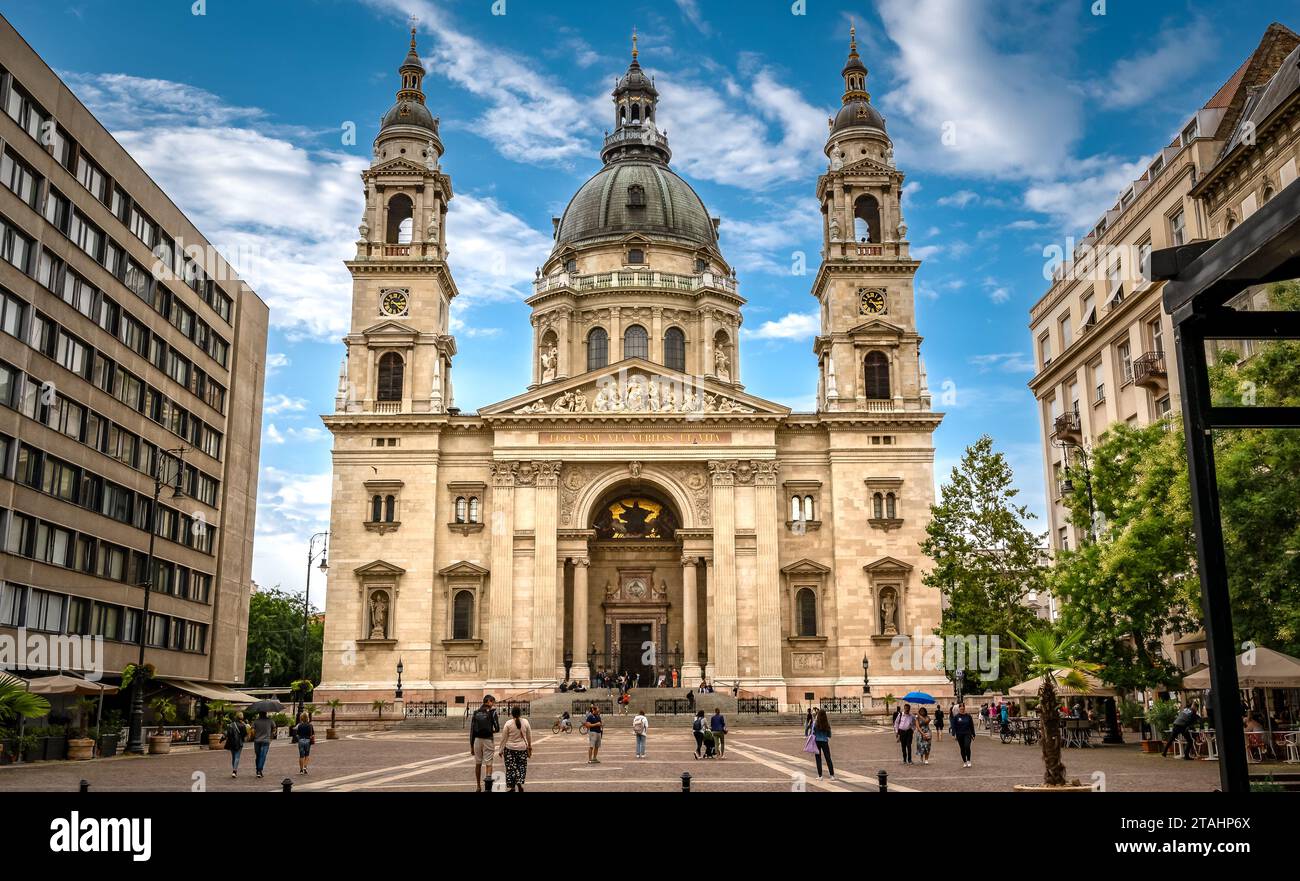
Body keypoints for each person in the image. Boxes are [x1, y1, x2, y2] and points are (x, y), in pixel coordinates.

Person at [469, 694, 501, 792]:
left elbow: (472, 731)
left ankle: (478, 786)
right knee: (489, 763)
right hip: (488, 739)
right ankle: (488, 788)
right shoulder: (493, 712)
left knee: (478, 763)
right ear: (488, 701)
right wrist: (491, 731)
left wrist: (471, 746)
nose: (493, 704)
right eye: (492, 702)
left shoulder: (475, 712)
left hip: (477, 740)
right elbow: (497, 728)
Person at [499, 704, 532, 791]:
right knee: (521, 767)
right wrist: (530, 746)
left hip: (510, 749)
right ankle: (519, 783)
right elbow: (529, 736)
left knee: (511, 768)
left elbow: (504, 738)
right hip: (522, 749)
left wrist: (500, 750)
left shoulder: (508, 723)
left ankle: (512, 787)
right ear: (520, 713)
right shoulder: (525, 722)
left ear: (512, 713)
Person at [251, 710, 276, 779]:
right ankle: (259, 770)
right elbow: (274, 730)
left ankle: (258, 770)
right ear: (266, 713)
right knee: (263, 756)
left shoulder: (255, 721)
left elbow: (252, 731)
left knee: (258, 756)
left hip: (257, 740)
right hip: (266, 741)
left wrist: (254, 736)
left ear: (259, 713)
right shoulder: (270, 721)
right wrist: (271, 738)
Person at [811, 708, 834, 780]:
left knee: (818, 759)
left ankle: (820, 776)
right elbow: (829, 734)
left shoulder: (816, 723)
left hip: (817, 741)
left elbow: (813, 732)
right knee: (828, 758)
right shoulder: (827, 723)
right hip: (824, 741)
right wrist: (826, 736)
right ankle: (832, 775)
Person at [951, 702, 976, 768]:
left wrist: (973, 733)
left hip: (967, 733)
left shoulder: (968, 716)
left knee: (967, 746)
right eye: (960, 707)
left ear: (964, 708)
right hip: (959, 734)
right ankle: (964, 761)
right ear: (959, 708)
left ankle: (968, 760)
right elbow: (954, 726)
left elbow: (971, 725)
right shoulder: (956, 717)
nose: (962, 708)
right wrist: (954, 734)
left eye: (963, 707)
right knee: (962, 748)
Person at [222, 711, 246, 778]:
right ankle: (234, 771)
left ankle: (234, 770)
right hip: (239, 743)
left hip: (231, 742)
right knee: (237, 757)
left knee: (233, 757)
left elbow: (228, 733)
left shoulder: (231, 724)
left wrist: (222, 739)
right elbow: (244, 734)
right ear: (242, 717)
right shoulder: (242, 725)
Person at [295, 711, 315, 775]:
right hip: (307, 741)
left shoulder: (300, 725)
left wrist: (299, 739)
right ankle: (305, 768)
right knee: (307, 755)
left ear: (301, 718)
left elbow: (297, 734)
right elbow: (312, 734)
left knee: (301, 756)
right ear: (307, 718)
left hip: (301, 741)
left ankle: (301, 770)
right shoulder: (310, 725)